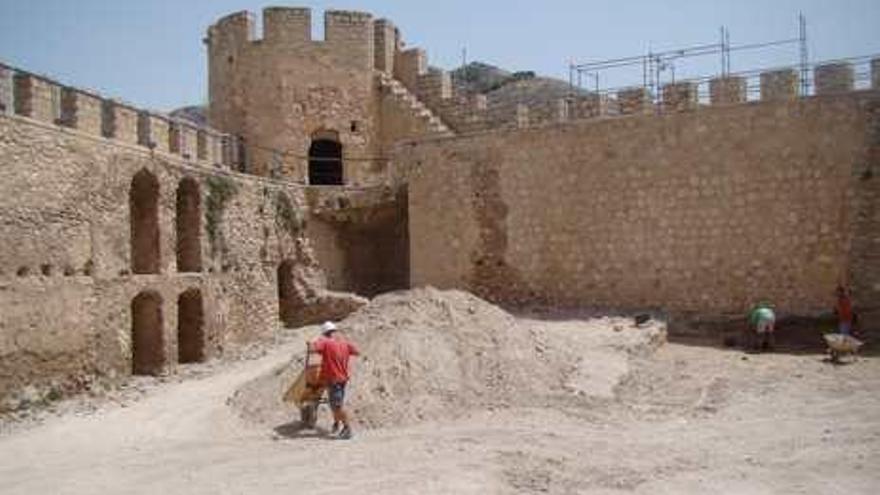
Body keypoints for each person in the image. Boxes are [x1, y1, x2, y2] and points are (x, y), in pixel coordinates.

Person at [307, 321, 360, 439]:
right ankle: (336, 424)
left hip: (333, 379)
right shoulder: (344, 343)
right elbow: (357, 352)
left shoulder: (325, 342)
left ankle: (347, 428)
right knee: (335, 404)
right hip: (343, 378)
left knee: (337, 405)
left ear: (325, 333)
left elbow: (312, 348)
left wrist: (314, 340)